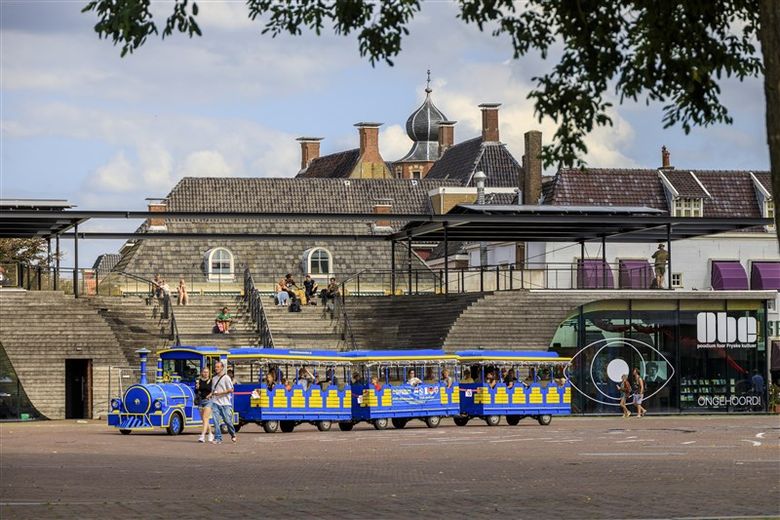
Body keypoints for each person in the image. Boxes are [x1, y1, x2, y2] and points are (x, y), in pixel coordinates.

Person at [208, 361, 236, 444]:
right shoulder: (214, 378)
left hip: (225, 403)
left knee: (227, 420)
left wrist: (221, 393)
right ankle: (218, 438)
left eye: (218, 367)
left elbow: (231, 389)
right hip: (215, 402)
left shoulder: (226, 378)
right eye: (215, 367)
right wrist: (210, 395)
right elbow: (213, 390)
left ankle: (233, 434)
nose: (216, 368)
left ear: (222, 368)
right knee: (216, 421)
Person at [196, 367, 214, 443]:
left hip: (208, 401)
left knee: (205, 417)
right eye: (204, 372)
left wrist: (210, 395)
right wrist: (197, 387)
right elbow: (196, 391)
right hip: (200, 401)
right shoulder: (198, 381)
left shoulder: (212, 381)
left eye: (207, 372)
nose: (206, 373)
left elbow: (213, 390)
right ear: (201, 373)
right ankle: (210, 433)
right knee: (204, 420)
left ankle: (202, 436)